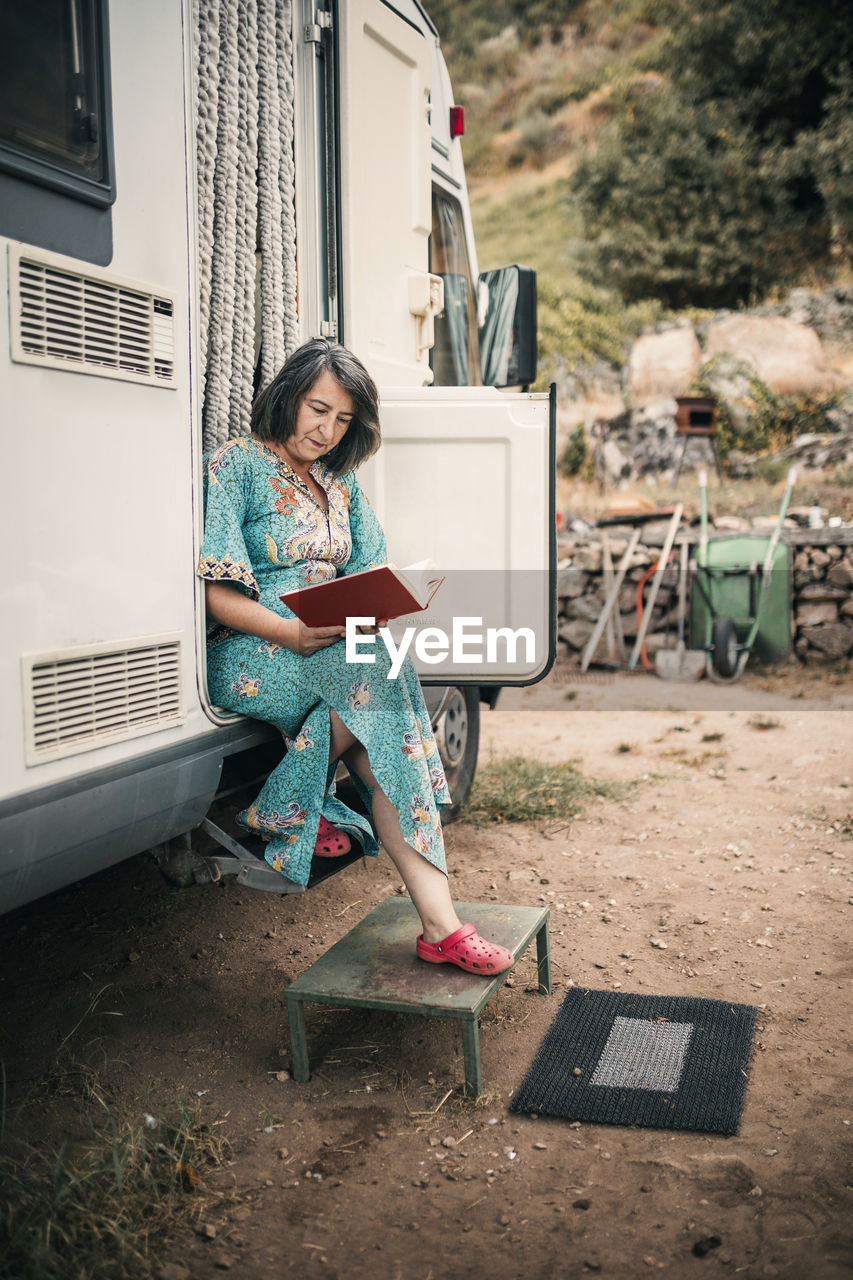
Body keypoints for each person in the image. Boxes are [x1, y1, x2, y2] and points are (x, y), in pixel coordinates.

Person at [197, 338, 512, 975]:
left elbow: (369, 569)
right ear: (287, 396)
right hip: (253, 651)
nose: (326, 430)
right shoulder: (235, 466)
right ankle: (431, 920)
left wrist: (384, 601)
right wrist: (287, 632)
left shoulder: (341, 486)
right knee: (385, 683)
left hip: (337, 652)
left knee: (382, 714)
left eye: (342, 420)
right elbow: (217, 595)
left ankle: (434, 920)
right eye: (317, 410)